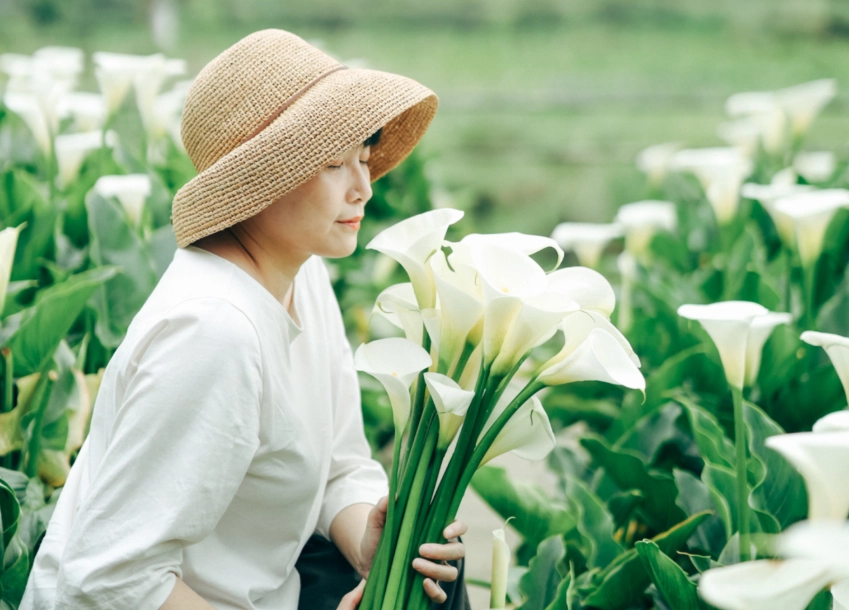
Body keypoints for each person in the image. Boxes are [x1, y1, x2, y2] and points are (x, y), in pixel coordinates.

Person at [20, 29, 470, 610]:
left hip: (262, 591)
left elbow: (340, 465)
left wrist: (371, 542)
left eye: (364, 156)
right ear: (260, 180)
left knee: (434, 579)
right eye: (335, 163)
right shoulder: (215, 332)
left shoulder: (301, 275)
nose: (364, 187)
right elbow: (111, 578)